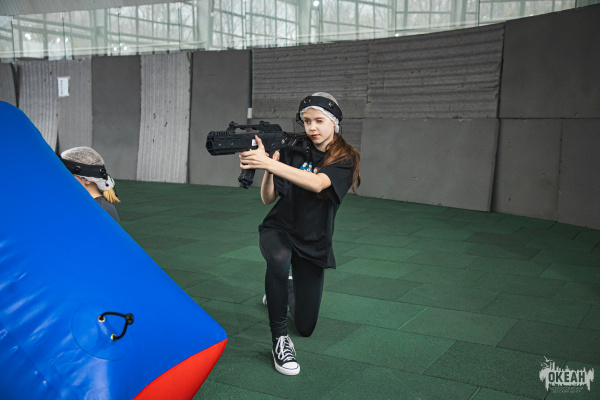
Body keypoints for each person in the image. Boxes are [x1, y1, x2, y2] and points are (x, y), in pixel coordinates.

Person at [239, 92, 361, 376]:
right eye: (306, 121)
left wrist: (270, 163)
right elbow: (268, 199)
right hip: (279, 228)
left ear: (334, 122)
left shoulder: (345, 157)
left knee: (306, 327)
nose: (312, 127)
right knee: (279, 259)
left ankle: (284, 290)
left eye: (319, 121)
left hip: (314, 240)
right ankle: (279, 340)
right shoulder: (293, 148)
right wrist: (268, 164)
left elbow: (318, 183)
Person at [59, 146, 121, 223]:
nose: (63, 178)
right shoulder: (86, 201)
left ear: (88, 180)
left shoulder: (100, 209)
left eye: (68, 175)